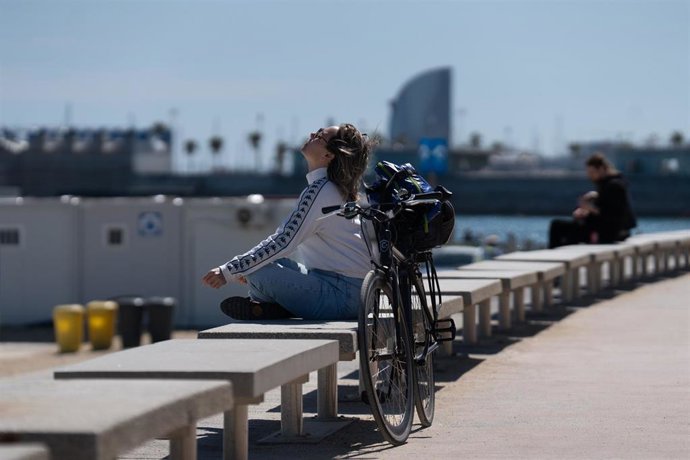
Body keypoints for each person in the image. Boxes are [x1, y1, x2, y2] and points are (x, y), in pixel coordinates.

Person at [202, 123, 372, 320]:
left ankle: (267, 306)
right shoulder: (333, 189)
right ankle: (273, 307)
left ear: (329, 156)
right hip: (350, 291)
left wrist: (229, 270)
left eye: (319, 135)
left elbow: (283, 240)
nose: (312, 134)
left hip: (341, 296)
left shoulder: (321, 191)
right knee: (267, 264)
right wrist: (246, 266)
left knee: (258, 272)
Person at [549, 153, 637, 248]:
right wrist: (587, 210)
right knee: (567, 230)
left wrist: (591, 208)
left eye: (592, 173)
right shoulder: (610, 183)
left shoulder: (614, 186)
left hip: (609, 233)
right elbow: (606, 206)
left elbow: (613, 214)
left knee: (557, 226)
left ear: (602, 169)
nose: (590, 176)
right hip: (606, 230)